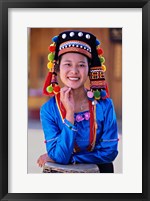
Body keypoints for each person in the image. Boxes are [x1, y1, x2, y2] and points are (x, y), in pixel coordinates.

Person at [37, 30, 119, 173]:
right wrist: (69, 113)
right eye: (67, 64)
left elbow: (109, 153)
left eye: (81, 65)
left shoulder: (105, 106)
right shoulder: (49, 110)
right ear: (57, 68)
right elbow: (59, 156)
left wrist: (73, 158)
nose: (74, 71)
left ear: (89, 69)